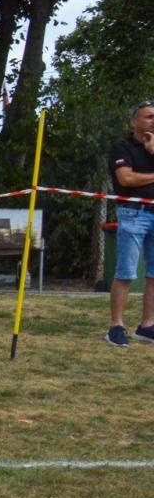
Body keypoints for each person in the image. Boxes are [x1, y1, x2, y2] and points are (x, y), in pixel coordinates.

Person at [105, 99, 154, 346]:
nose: (153, 121)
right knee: (126, 271)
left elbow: (138, 178)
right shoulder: (122, 147)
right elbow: (126, 179)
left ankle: (147, 326)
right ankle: (116, 326)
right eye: (149, 116)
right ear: (134, 122)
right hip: (134, 213)